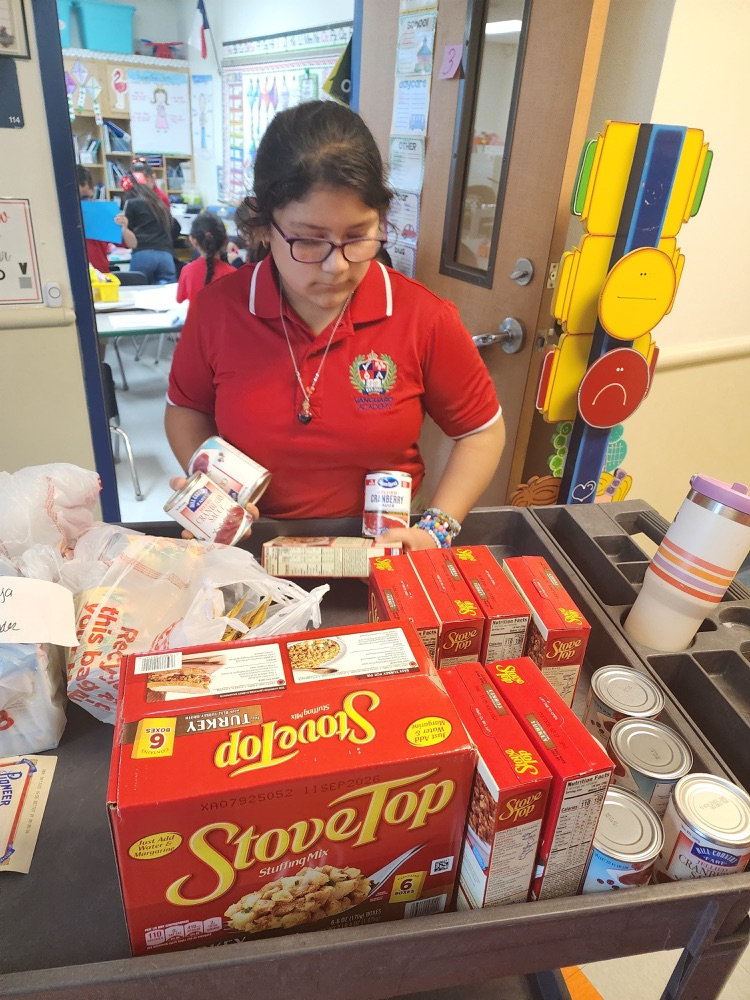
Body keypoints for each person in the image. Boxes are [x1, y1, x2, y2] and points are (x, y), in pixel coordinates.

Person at [166, 101, 505, 552]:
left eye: (358, 236)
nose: (336, 266)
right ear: (264, 225)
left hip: (382, 551)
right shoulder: (218, 311)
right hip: (253, 547)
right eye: (309, 240)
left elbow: (480, 431)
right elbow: (186, 409)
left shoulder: (424, 317)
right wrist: (212, 485)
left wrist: (436, 530)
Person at [121, 172, 181, 284]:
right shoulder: (159, 203)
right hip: (166, 255)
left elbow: (126, 230)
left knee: (138, 290)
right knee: (168, 291)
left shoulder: (131, 203)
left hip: (143, 253)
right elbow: (176, 226)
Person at [77, 165, 136, 273]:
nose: (84, 204)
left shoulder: (101, 215)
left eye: (87, 198)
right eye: (79, 199)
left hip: (100, 275)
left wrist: (124, 228)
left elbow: (132, 244)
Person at [176, 211, 236, 304]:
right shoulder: (233, 274)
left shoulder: (187, 271)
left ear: (193, 240)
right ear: (226, 240)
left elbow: (180, 300)